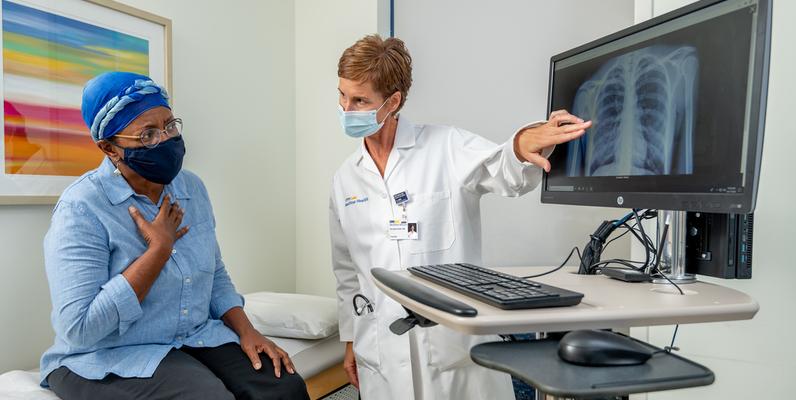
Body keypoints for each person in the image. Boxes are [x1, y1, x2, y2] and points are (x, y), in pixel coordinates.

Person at [329, 35, 592, 399]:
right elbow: (346, 271)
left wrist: (520, 145)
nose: (346, 109)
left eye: (360, 100)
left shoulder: (446, 147)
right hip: (380, 352)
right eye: (343, 95)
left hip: (450, 354)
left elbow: (501, 168)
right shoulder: (347, 177)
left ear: (393, 102)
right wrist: (349, 339)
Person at [40, 72, 309, 400]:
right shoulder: (82, 207)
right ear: (110, 148)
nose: (165, 140)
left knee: (284, 387)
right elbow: (80, 329)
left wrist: (248, 332)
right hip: (106, 355)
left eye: (170, 125)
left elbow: (215, 275)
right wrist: (158, 251)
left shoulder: (190, 188)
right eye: (148, 135)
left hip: (191, 337)